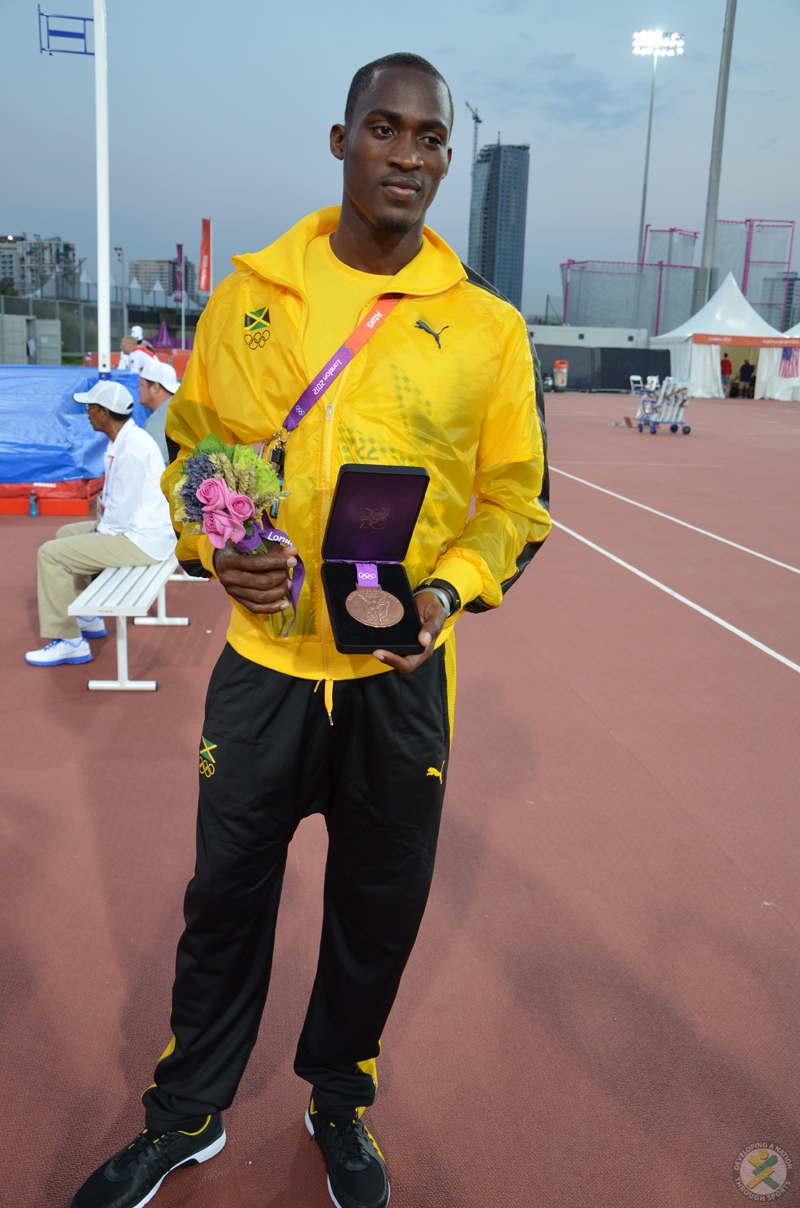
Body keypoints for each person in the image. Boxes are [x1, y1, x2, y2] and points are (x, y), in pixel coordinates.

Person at [71, 53, 550, 1208]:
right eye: (381, 130)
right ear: (339, 143)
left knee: (376, 906)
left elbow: (515, 503)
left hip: (397, 673)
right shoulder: (248, 298)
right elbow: (193, 456)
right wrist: (210, 542)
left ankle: (339, 1101)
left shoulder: (485, 328)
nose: (406, 155)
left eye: (428, 138)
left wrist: (442, 596)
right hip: (266, 665)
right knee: (224, 898)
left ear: (445, 157)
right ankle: (184, 1115)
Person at [25, 381, 176, 667]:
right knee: (64, 534)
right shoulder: (126, 440)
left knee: (50, 553)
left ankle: (68, 641)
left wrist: (97, 534)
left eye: (90, 407)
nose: (87, 413)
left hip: (140, 539)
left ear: (105, 413)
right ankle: (88, 617)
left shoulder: (131, 448)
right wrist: (96, 532)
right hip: (139, 531)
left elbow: (118, 517)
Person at [138, 358, 180, 464]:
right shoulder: (177, 407)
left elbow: (158, 465)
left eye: (141, 385)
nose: (138, 389)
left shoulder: (159, 420)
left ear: (155, 387)